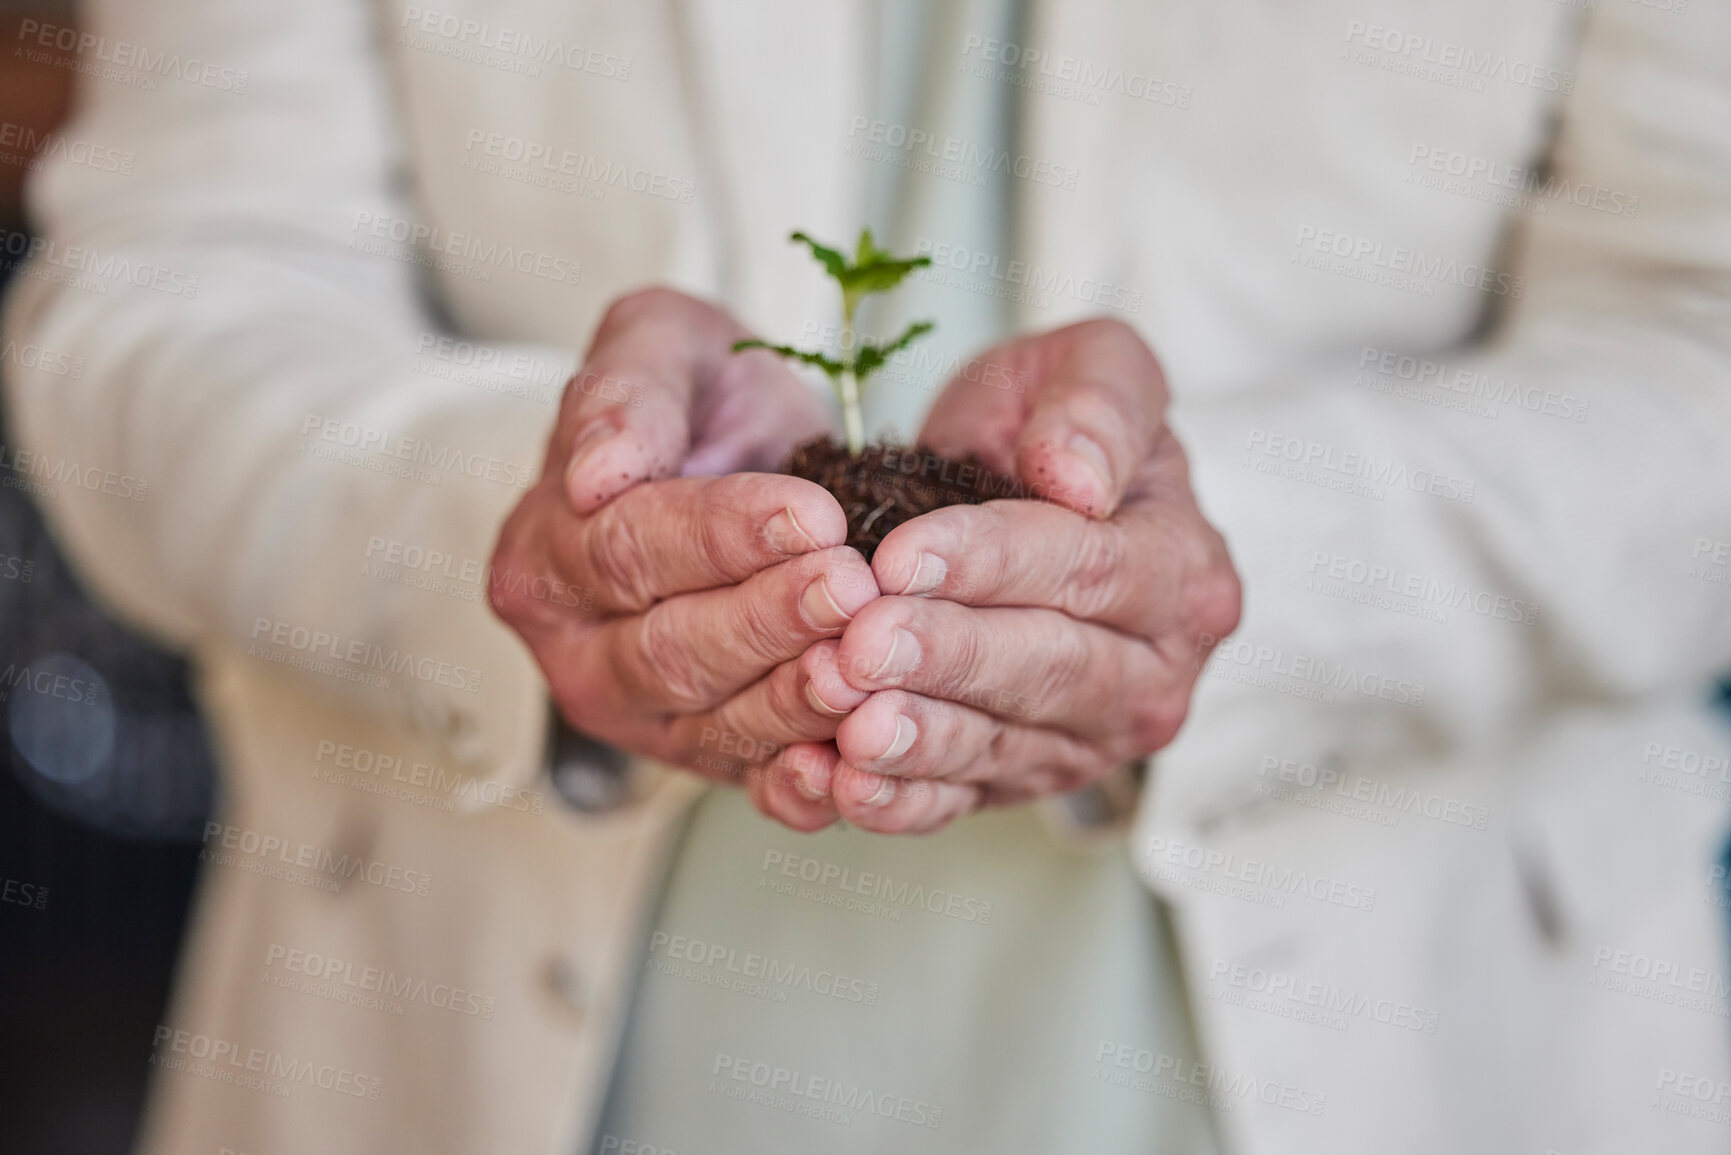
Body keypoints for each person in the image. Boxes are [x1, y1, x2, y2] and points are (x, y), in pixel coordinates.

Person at [4, 0, 1728, 1152]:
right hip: (473, 1044)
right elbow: (159, 296)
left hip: (1412, 1045)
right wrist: (522, 523)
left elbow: (1695, 329)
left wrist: (1246, 569)